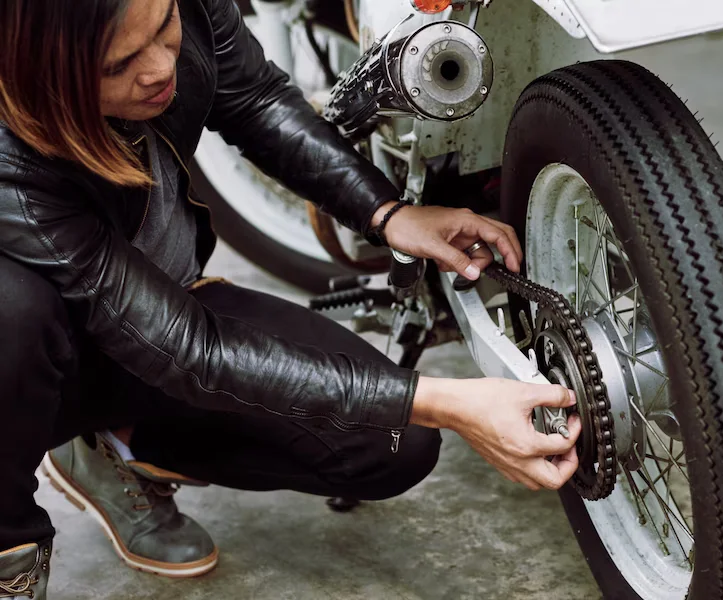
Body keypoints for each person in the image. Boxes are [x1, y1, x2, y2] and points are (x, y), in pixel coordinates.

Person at [0, 0, 582, 597]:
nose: (158, 69)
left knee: (395, 443)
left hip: (159, 313)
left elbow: (253, 99)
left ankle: (115, 443)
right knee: (11, 312)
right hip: (46, 358)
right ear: (35, 73)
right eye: (118, 64)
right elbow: (194, 350)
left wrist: (388, 213)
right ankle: (8, 551)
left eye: (164, 26)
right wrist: (449, 399)